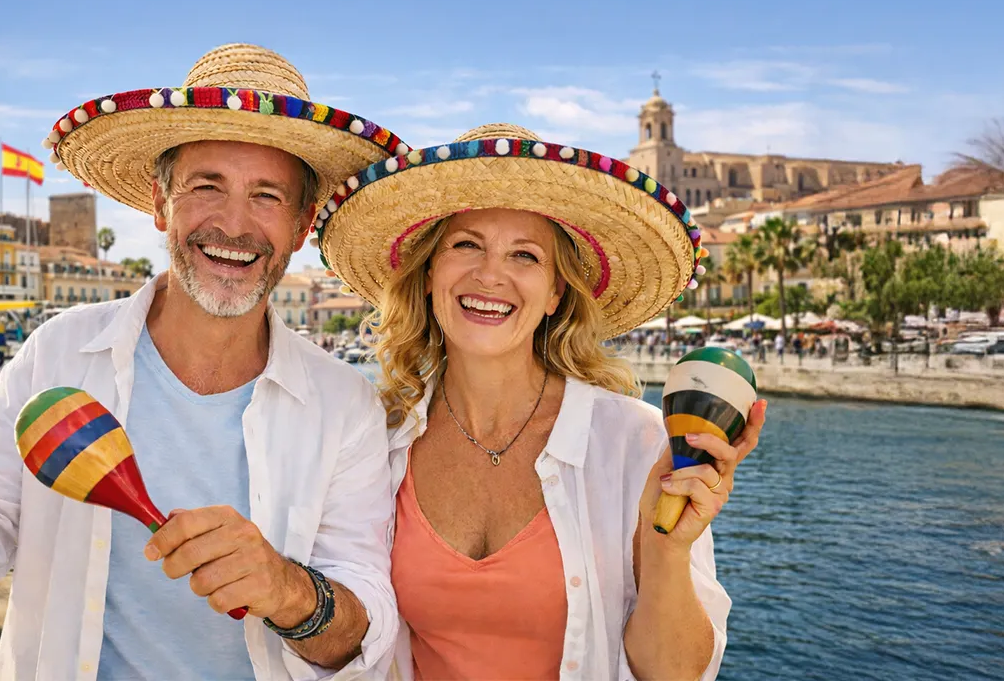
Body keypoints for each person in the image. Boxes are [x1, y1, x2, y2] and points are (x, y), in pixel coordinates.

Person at [0, 44, 409, 679]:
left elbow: (362, 633)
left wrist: (288, 591)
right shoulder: (57, 354)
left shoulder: (345, 404)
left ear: (303, 221)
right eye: (207, 187)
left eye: (266, 196)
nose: (233, 223)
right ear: (160, 202)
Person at [317, 124, 767, 680]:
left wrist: (668, 551)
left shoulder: (636, 443)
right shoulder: (378, 441)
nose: (490, 274)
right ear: (430, 271)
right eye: (466, 244)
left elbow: (673, 674)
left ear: (557, 291)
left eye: (525, 256)